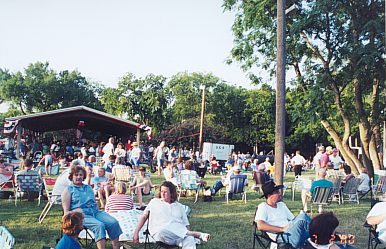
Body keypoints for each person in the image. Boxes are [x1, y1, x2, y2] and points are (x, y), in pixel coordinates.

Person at [132, 181, 210, 248]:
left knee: (189, 239)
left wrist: (187, 233)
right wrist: (136, 233)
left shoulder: (179, 206)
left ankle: (191, 235)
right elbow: (144, 216)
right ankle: (197, 234)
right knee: (163, 229)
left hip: (178, 236)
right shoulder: (154, 202)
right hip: (161, 234)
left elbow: (186, 225)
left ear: (171, 193)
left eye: (165, 192)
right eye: (161, 191)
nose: (162, 194)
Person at [61, 165, 122, 249]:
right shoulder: (68, 190)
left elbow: (93, 201)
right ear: (72, 176)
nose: (78, 177)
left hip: (95, 212)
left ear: (83, 176)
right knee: (99, 226)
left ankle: (116, 247)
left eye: (81, 175)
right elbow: (66, 213)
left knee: (113, 222)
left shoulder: (88, 187)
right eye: (76, 174)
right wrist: (76, 211)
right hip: (80, 216)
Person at [255, 181, 311, 248]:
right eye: (276, 192)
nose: (280, 194)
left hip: (291, 232)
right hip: (282, 237)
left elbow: (293, 219)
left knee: (304, 217)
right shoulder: (263, 207)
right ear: (269, 195)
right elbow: (260, 226)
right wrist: (282, 229)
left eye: (279, 191)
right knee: (303, 218)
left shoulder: (281, 205)